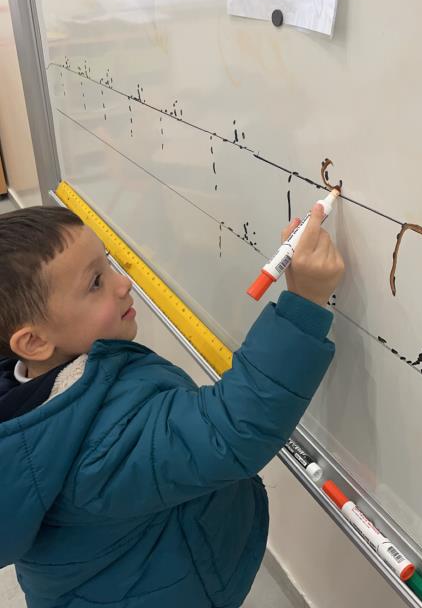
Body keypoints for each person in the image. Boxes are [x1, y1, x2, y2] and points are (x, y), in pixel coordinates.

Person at [0, 203, 344, 608]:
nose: (123, 282)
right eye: (95, 282)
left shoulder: (29, 391)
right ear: (34, 342)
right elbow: (230, 429)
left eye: (107, 263)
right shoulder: (99, 446)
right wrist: (303, 304)